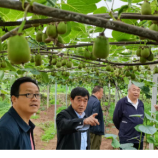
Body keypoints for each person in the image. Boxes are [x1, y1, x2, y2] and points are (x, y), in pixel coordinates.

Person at [0, 77, 41, 150]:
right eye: (28, 94)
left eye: (37, 94)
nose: (35, 98)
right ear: (14, 99)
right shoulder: (6, 130)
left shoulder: (26, 125)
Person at [113, 84, 145, 150]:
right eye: (134, 90)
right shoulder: (122, 102)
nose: (136, 92)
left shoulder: (141, 103)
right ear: (129, 91)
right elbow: (116, 119)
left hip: (139, 138)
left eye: (138, 90)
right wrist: (124, 129)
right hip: (126, 139)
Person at [85, 86, 104, 150]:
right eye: (102, 92)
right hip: (95, 130)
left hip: (87, 129)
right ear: (98, 92)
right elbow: (94, 116)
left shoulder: (88, 100)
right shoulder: (96, 102)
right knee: (95, 148)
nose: (102, 94)